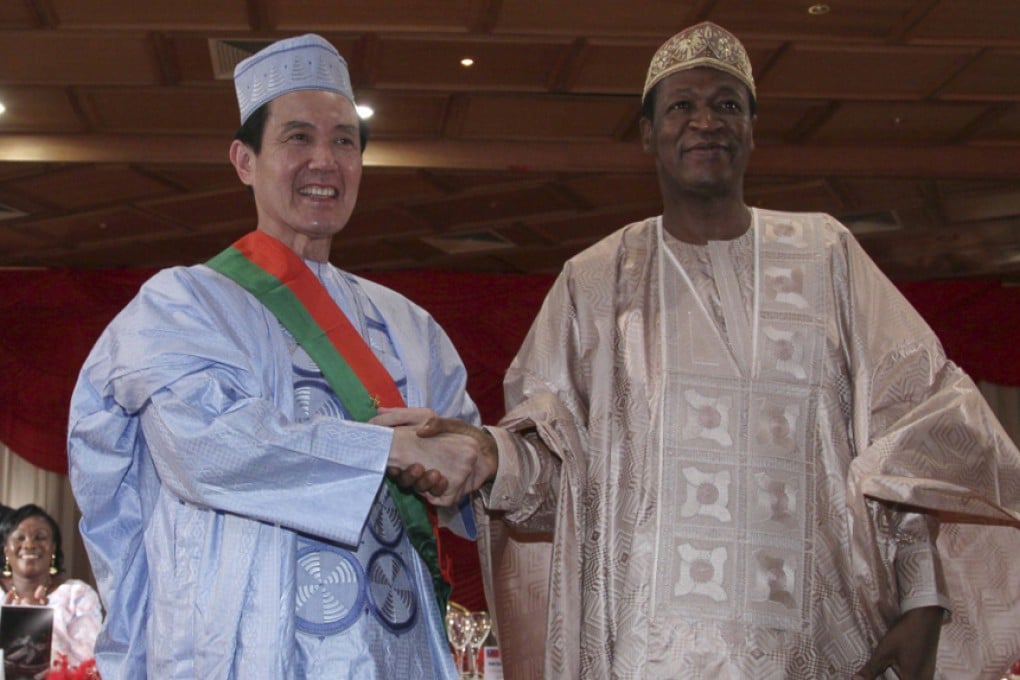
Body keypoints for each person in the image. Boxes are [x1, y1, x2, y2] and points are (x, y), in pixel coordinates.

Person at [407, 21, 1020, 680]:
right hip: (649, 653)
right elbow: (558, 469)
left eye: (727, 104)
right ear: (648, 133)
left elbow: (912, 430)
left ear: (752, 129)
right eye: (682, 106)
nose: (706, 121)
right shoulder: (595, 281)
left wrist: (923, 601)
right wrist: (488, 453)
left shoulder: (827, 255)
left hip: (825, 647)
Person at [67, 34, 492, 679]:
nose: (325, 161)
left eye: (345, 141)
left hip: (394, 651)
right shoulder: (182, 304)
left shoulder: (410, 326)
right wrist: (389, 449)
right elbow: (209, 446)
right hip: (239, 644)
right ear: (244, 160)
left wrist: (474, 458)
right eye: (298, 138)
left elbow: (466, 468)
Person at [1, 504, 102, 670]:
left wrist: (38, 629)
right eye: (20, 538)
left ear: (53, 548)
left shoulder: (77, 595)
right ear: (6, 549)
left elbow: (89, 664)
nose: (29, 545)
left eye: (40, 537)